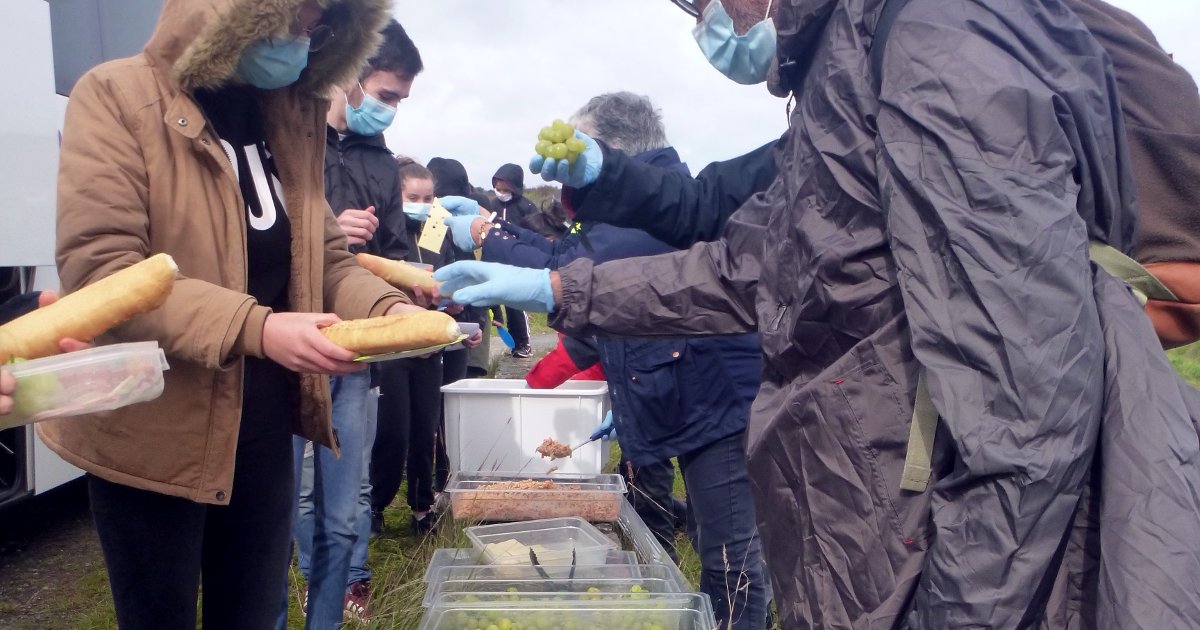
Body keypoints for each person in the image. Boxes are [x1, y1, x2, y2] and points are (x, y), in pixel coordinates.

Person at [436, 0, 1200, 626]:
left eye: (703, 3)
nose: (706, 22)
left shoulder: (928, 40)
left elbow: (1024, 415)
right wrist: (564, 292)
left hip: (931, 536)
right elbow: (753, 263)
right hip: (869, 517)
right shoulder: (841, 69)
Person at [41, 1, 427, 627]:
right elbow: (103, 270)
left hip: (263, 428)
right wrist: (260, 328)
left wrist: (390, 309)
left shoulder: (289, 114)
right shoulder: (115, 96)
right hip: (153, 431)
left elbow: (325, 258)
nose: (304, 40)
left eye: (319, 28)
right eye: (295, 20)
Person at [444, 91, 768, 629]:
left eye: (580, 157)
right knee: (715, 537)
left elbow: (573, 264)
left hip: (718, 402)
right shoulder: (644, 196)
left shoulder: (650, 207)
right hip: (686, 389)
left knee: (731, 556)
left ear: (611, 150)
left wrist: (486, 234)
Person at [281, 18, 423, 628]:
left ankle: (345, 591)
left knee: (349, 489)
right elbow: (271, 238)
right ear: (352, 75)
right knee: (294, 490)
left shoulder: (382, 162)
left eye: (400, 101)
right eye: (387, 94)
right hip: (289, 339)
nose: (390, 109)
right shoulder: (291, 138)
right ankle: (305, 580)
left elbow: (395, 249)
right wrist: (330, 232)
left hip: (358, 345)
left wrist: (413, 292)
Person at [371, 161, 463, 537]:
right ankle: (375, 504)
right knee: (392, 432)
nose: (422, 205)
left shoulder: (437, 229)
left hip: (430, 345)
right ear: (397, 195)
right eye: (414, 197)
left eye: (428, 198)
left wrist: (455, 304)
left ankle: (422, 507)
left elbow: (451, 275)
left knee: (426, 431)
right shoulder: (383, 230)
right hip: (393, 346)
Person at [490, 164, 537, 358]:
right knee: (506, 303)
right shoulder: (492, 206)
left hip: (519, 259)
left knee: (517, 303)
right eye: (498, 188)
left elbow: (535, 233)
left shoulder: (527, 207)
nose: (501, 193)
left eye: (505, 189)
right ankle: (516, 344)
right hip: (497, 259)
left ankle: (524, 343)